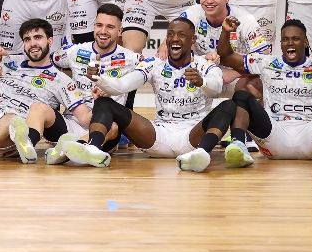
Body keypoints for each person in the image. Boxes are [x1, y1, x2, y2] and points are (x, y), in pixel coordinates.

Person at [63, 18, 238, 173]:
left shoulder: (206, 65)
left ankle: (201, 154)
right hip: (158, 136)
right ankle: (93, 148)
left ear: (193, 39)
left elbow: (216, 89)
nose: (175, 39)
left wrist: (202, 83)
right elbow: (122, 85)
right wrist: (98, 79)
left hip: (192, 137)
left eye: (182, 35)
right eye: (170, 34)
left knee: (229, 106)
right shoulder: (154, 63)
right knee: (105, 102)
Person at [0, 19, 92, 165]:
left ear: (50, 41)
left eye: (38, 37)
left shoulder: (61, 80)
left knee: (14, 118)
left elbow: (83, 117)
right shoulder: (8, 67)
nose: (32, 43)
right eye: (27, 39)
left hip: (13, 129)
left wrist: (102, 114)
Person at [218, 18, 312, 168]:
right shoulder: (266, 63)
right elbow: (226, 57)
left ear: (305, 42)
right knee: (242, 95)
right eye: (285, 39)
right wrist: (226, 32)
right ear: (281, 44)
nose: (290, 43)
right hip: (273, 137)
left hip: (311, 137)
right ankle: (238, 145)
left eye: (296, 38)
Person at [52, 3, 144, 122]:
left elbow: (156, 70)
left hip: (109, 123)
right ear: (94, 26)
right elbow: (48, 62)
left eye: (110, 27)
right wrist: (64, 83)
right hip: (73, 121)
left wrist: (120, 86)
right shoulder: (74, 51)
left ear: (120, 31)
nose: (103, 31)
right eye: (99, 25)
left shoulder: (131, 58)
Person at [179, 0, 270, 89]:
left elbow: (265, 60)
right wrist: (201, 60)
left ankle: (239, 106)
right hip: (201, 75)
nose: (209, 0)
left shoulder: (245, 20)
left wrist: (235, 73)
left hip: (235, 77)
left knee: (258, 82)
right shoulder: (191, 14)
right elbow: (175, 44)